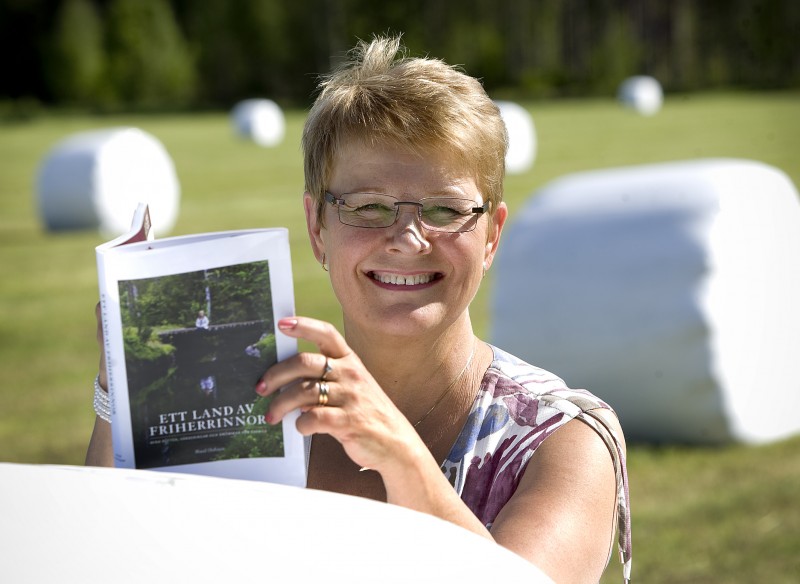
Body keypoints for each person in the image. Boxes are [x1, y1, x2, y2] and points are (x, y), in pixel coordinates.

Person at [87, 35, 631, 583]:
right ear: (316, 228)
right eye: (369, 206)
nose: (408, 239)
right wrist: (123, 394)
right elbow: (110, 563)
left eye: (444, 209)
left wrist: (400, 456)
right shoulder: (243, 420)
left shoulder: (563, 440)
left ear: (491, 236)